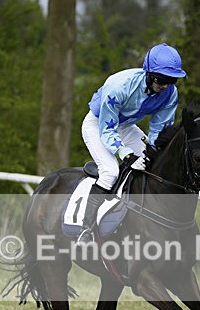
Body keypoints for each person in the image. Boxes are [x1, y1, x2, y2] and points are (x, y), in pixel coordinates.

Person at [77, 43, 186, 245]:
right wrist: (125, 153)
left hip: (126, 127)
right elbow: (107, 129)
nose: (166, 85)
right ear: (149, 74)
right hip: (98, 124)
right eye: (162, 79)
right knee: (110, 172)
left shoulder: (170, 94)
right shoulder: (118, 86)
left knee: (152, 166)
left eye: (172, 80)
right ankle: (86, 229)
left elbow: (158, 131)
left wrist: (154, 152)